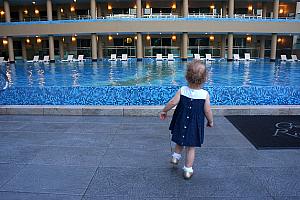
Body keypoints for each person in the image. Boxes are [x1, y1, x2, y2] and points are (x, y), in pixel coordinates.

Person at [159, 60, 213, 179]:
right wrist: (210, 121)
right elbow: (208, 111)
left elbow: (173, 102)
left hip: (181, 121)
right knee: (191, 147)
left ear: (187, 76)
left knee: (179, 141)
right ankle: (188, 170)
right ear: (204, 78)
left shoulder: (182, 90)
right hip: (194, 124)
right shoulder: (204, 94)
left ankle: (175, 157)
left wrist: (164, 110)